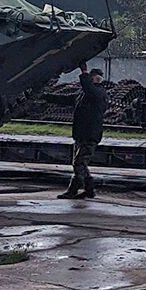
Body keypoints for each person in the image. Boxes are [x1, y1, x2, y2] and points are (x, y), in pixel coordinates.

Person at [60, 66, 107, 200]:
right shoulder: (85, 94)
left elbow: (88, 88)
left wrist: (84, 72)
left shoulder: (98, 93)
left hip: (90, 135)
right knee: (81, 163)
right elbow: (67, 99)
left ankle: (73, 190)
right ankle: (89, 189)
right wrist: (44, 96)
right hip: (82, 134)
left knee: (79, 163)